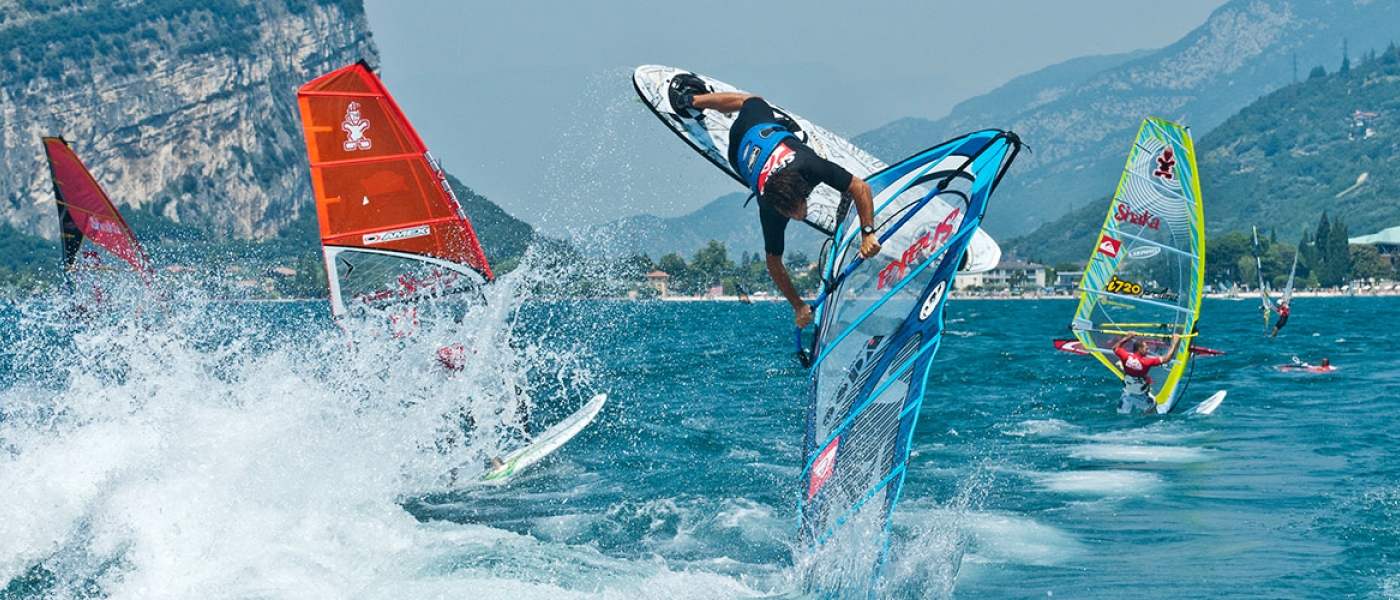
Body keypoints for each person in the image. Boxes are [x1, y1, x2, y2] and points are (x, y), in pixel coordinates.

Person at [670, 74, 881, 328]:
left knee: (754, 101)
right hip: (739, 151)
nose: (798, 217)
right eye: (789, 214)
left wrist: (868, 232)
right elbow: (774, 263)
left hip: (762, 131)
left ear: (803, 190)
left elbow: (861, 186)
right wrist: (798, 306)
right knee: (753, 104)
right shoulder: (769, 208)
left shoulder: (809, 166)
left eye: (796, 209)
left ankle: (694, 100)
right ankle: (692, 100)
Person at [1110, 332, 1182, 414]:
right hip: (1141, 396)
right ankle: (1143, 420)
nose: (1148, 350)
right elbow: (1167, 359)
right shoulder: (1145, 362)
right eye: (1146, 348)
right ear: (1140, 349)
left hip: (1127, 394)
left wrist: (1127, 338)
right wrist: (1174, 343)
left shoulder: (1125, 356)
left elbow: (1114, 347)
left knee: (1121, 415)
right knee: (1153, 404)